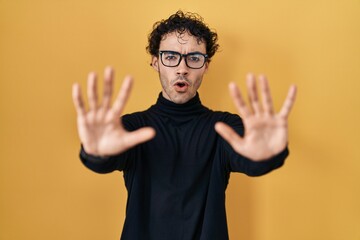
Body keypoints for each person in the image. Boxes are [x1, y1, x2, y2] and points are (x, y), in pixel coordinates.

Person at [72, 10, 297, 240]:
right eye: (170, 57)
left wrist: (267, 155)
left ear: (206, 65)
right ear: (155, 62)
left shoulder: (224, 130)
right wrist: (95, 153)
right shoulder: (131, 129)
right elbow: (105, 160)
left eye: (194, 58)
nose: (182, 68)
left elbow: (252, 159)